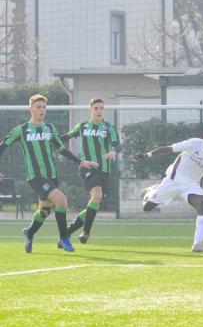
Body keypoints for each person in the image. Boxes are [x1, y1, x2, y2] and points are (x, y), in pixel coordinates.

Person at [0, 94, 99, 253]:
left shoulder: (50, 128)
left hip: (52, 176)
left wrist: (80, 161)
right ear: (30, 109)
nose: (42, 110)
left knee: (44, 211)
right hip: (36, 177)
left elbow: (61, 149)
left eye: (44, 107)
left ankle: (29, 233)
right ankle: (64, 238)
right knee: (62, 200)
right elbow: (2, 146)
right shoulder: (21, 130)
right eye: (38, 107)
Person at [134, 122, 203, 252]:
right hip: (174, 178)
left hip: (190, 184)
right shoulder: (194, 143)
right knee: (147, 208)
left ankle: (197, 245)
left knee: (202, 206)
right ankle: (151, 190)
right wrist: (147, 155)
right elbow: (169, 148)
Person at [59, 98, 121, 246]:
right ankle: (86, 232)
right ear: (90, 110)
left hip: (104, 170)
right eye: (96, 108)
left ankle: (66, 233)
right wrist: (51, 141)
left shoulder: (109, 127)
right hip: (87, 167)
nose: (99, 111)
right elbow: (65, 137)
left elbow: (117, 144)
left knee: (94, 203)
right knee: (97, 195)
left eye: (101, 108)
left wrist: (114, 151)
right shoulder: (82, 126)